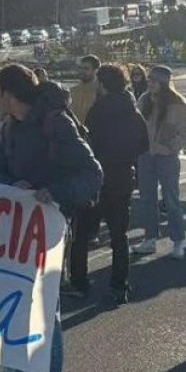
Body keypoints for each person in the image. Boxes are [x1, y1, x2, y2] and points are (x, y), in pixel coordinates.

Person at [0, 64, 102, 372]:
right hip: (16, 233)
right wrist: (1, 181)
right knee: (13, 306)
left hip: (48, 233)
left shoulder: (55, 123)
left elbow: (93, 175)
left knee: (47, 318)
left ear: (11, 95)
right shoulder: (13, 127)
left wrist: (53, 192)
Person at [66, 64, 148, 303]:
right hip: (123, 177)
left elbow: (88, 143)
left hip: (97, 178)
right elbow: (144, 144)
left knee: (82, 235)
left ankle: (79, 282)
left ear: (102, 84)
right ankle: (120, 284)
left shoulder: (98, 110)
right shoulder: (133, 112)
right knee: (119, 235)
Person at [132, 66, 186, 259]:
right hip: (145, 156)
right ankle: (150, 239)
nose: (150, 83)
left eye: (154, 80)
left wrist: (172, 146)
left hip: (167, 157)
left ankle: (178, 241)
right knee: (147, 199)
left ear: (164, 82)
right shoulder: (144, 101)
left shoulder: (177, 104)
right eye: (149, 79)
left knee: (171, 199)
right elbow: (135, 124)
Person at [68, 55, 100, 125]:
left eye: (86, 69)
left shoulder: (100, 92)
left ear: (96, 70)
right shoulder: (73, 91)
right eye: (80, 68)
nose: (82, 71)